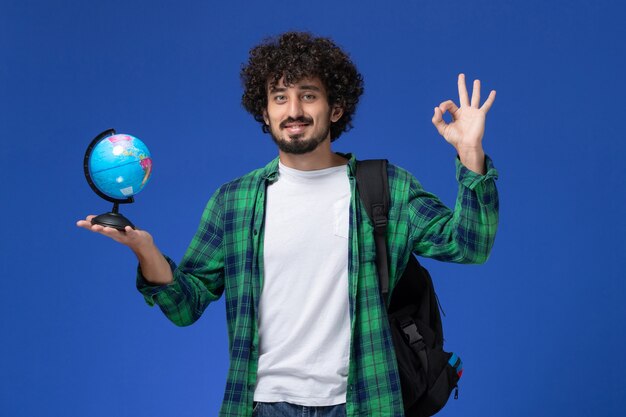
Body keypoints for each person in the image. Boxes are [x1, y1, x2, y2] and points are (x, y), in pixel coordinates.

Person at [77, 31, 499, 417]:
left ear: (336, 108)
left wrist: (470, 154)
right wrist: (145, 251)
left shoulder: (385, 187)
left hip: (363, 403)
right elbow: (186, 306)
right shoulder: (235, 202)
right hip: (262, 406)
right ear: (264, 110)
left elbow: (469, 245)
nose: (293, 110)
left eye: (308, 95)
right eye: (279, 97)